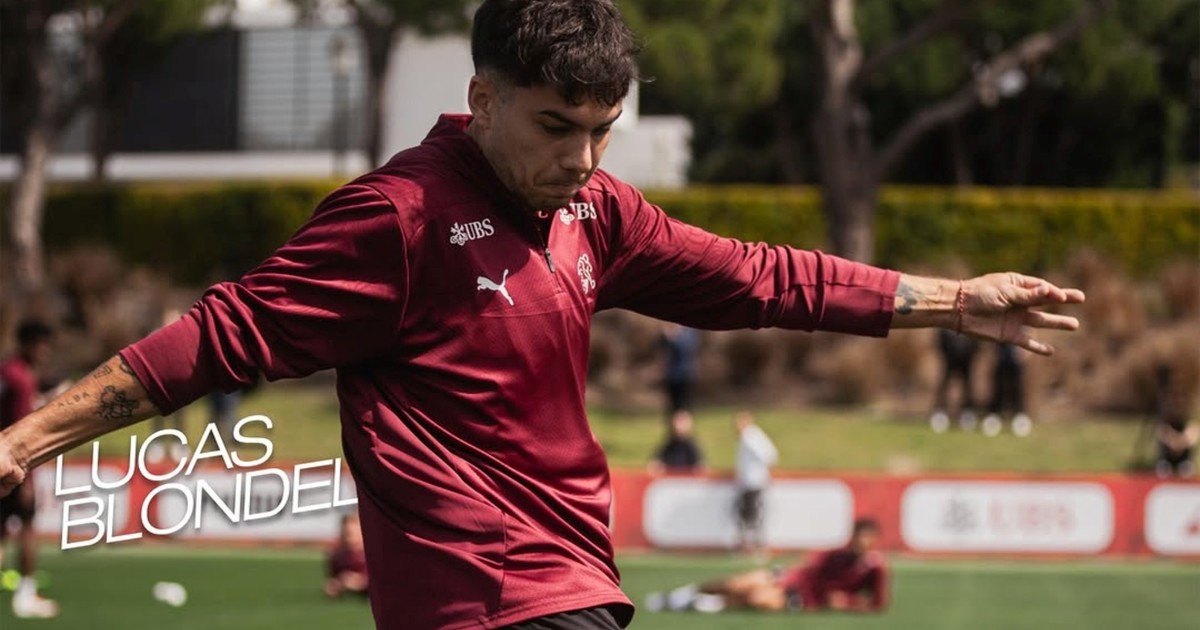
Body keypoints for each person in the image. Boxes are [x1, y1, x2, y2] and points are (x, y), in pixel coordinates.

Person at [0, 1, 1085, 628]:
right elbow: (214, 339)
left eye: (604, 129)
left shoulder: (596, 213)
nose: (584, 156)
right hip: (487, 606)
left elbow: (761, 279)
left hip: (571, 595)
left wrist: (954, 302)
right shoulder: (398, 219)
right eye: (557, 126)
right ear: (482, 101)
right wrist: (23, 442)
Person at [645, 517, 888, 614]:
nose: (859, 543)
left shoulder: (875, 568)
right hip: (791, 579)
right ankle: (683, 594)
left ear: (873, 542)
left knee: (757, 598)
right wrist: (790, 572)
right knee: (738, 583)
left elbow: (877, 604)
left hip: (806, 599)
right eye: (857, 537)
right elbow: (810, 563)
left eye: (865, 540)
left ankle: (702, 605)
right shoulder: (838, 554)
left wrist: (848, 603)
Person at [0, 320, 60, 619]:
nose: (44, 351)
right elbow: (23, 428)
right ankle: (26, 594)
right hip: (15, 467)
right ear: (27, 344)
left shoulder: (7, 372)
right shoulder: (22, 378)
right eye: (40, 344)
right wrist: (26, 480)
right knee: (26, 530)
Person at [734, 411, 777, 553]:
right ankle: (751, 543)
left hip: (753, 482)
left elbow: (768, 455)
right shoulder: (751, 436)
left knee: (752, 514)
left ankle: (754, 543)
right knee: (748, 513)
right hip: (751, 482)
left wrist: (759, 471)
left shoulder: (750, 437)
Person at [929, 328, 980, 433]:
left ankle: (968, 414)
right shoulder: (946, 326)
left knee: (968, 385)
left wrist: (971, 352)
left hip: (966, 358)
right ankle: (940, 413)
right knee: (944, 384)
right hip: (949, 357)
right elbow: (940, 338)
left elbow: (976, 342)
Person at [981, 342, 1033, 437]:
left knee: (1017, 389)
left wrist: (1025, 351)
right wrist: (991, 353)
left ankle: (1020, 417)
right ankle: (994, 417)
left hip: (1016, 358)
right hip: (1001, 357)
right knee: (998, 388)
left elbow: (1029, 335)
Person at [1154, 366, 1197, 478]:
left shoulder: (1188, 423)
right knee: (1163, 469)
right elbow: (1165, 434)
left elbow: (1191, 435)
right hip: (1166, 462)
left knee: (1186, 470)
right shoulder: (1164, 422)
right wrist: (1178, 441)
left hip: (1184, 462)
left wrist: (1178, 441)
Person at [325, 511, 370, 598]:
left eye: (351, 534)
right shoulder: (338, 556)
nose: (349, 538)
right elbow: (333, 580)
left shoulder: (373, 554)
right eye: (346, 533)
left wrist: (361, 582)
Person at [659, 324, 700, 418]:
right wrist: (665, 336)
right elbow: (660, 346)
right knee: (673, 407)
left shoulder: (689, 332)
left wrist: (673, 338)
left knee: (684, 406)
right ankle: (675, 424)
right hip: (672, 375)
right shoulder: (673, 330)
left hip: (685, 375)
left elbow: (685, 348)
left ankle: (684, 424)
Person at [648, 409, 704, 474]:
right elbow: (656, 463)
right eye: (678, 422)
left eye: (683, 423)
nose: (679, 426)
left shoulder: (692, 447)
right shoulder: (668, 446)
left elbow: (699, 466)